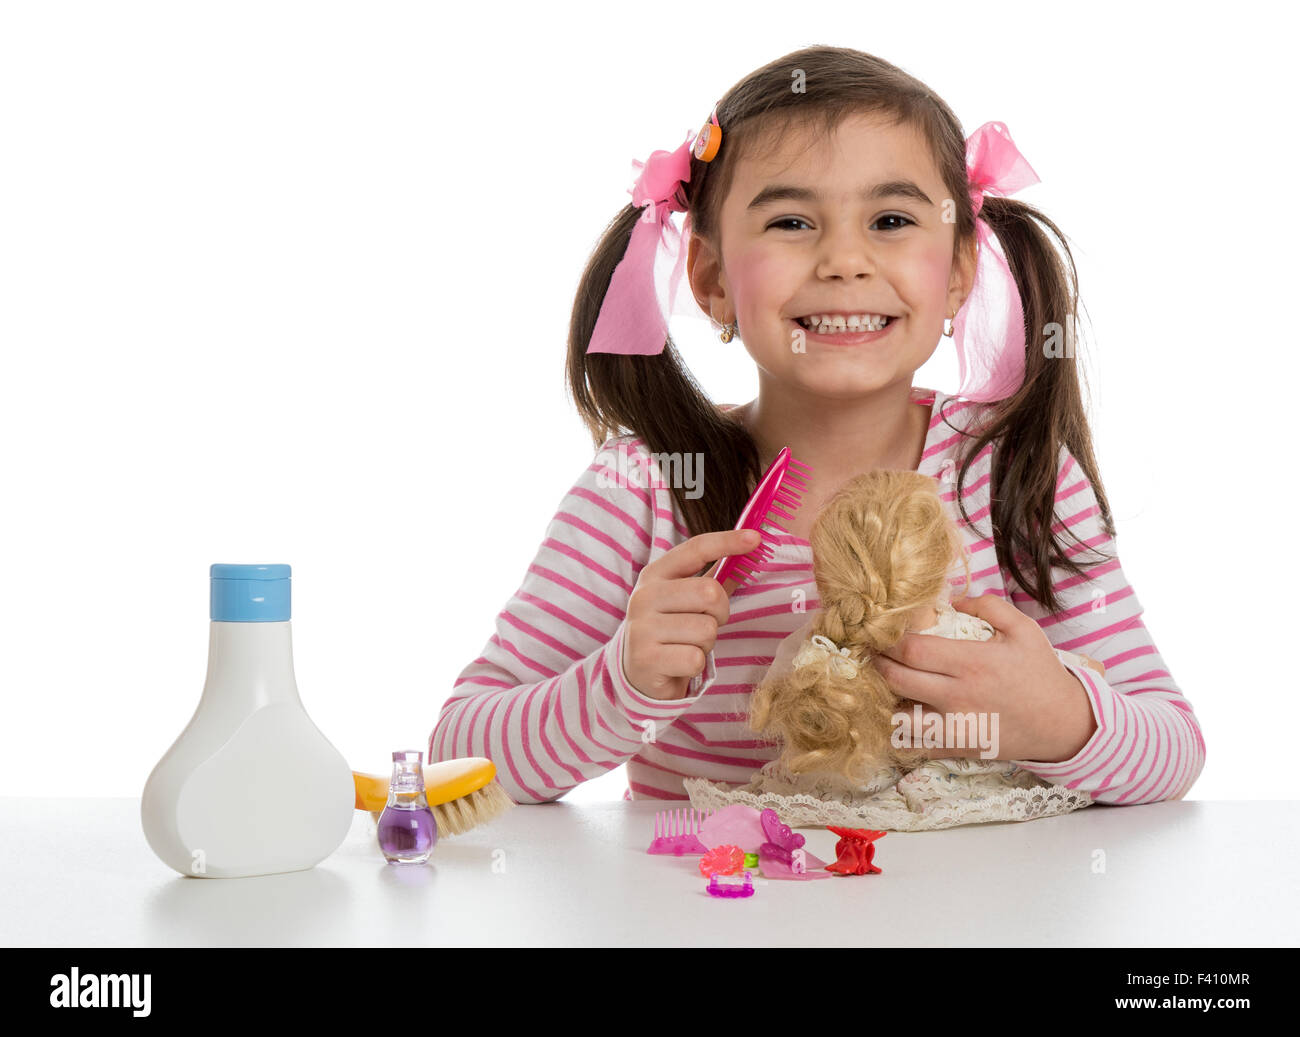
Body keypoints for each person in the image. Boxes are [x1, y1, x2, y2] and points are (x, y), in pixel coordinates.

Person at [427, 44, 1204, 805]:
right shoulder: (648, 489)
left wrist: (1059, 719)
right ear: (712, 280)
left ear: (959, 274)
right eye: (793, 223)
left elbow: (1173, 747)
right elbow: (460, 753)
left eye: (892, 219)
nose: (843, 260)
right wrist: (619, 681)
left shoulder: (1009, 475)